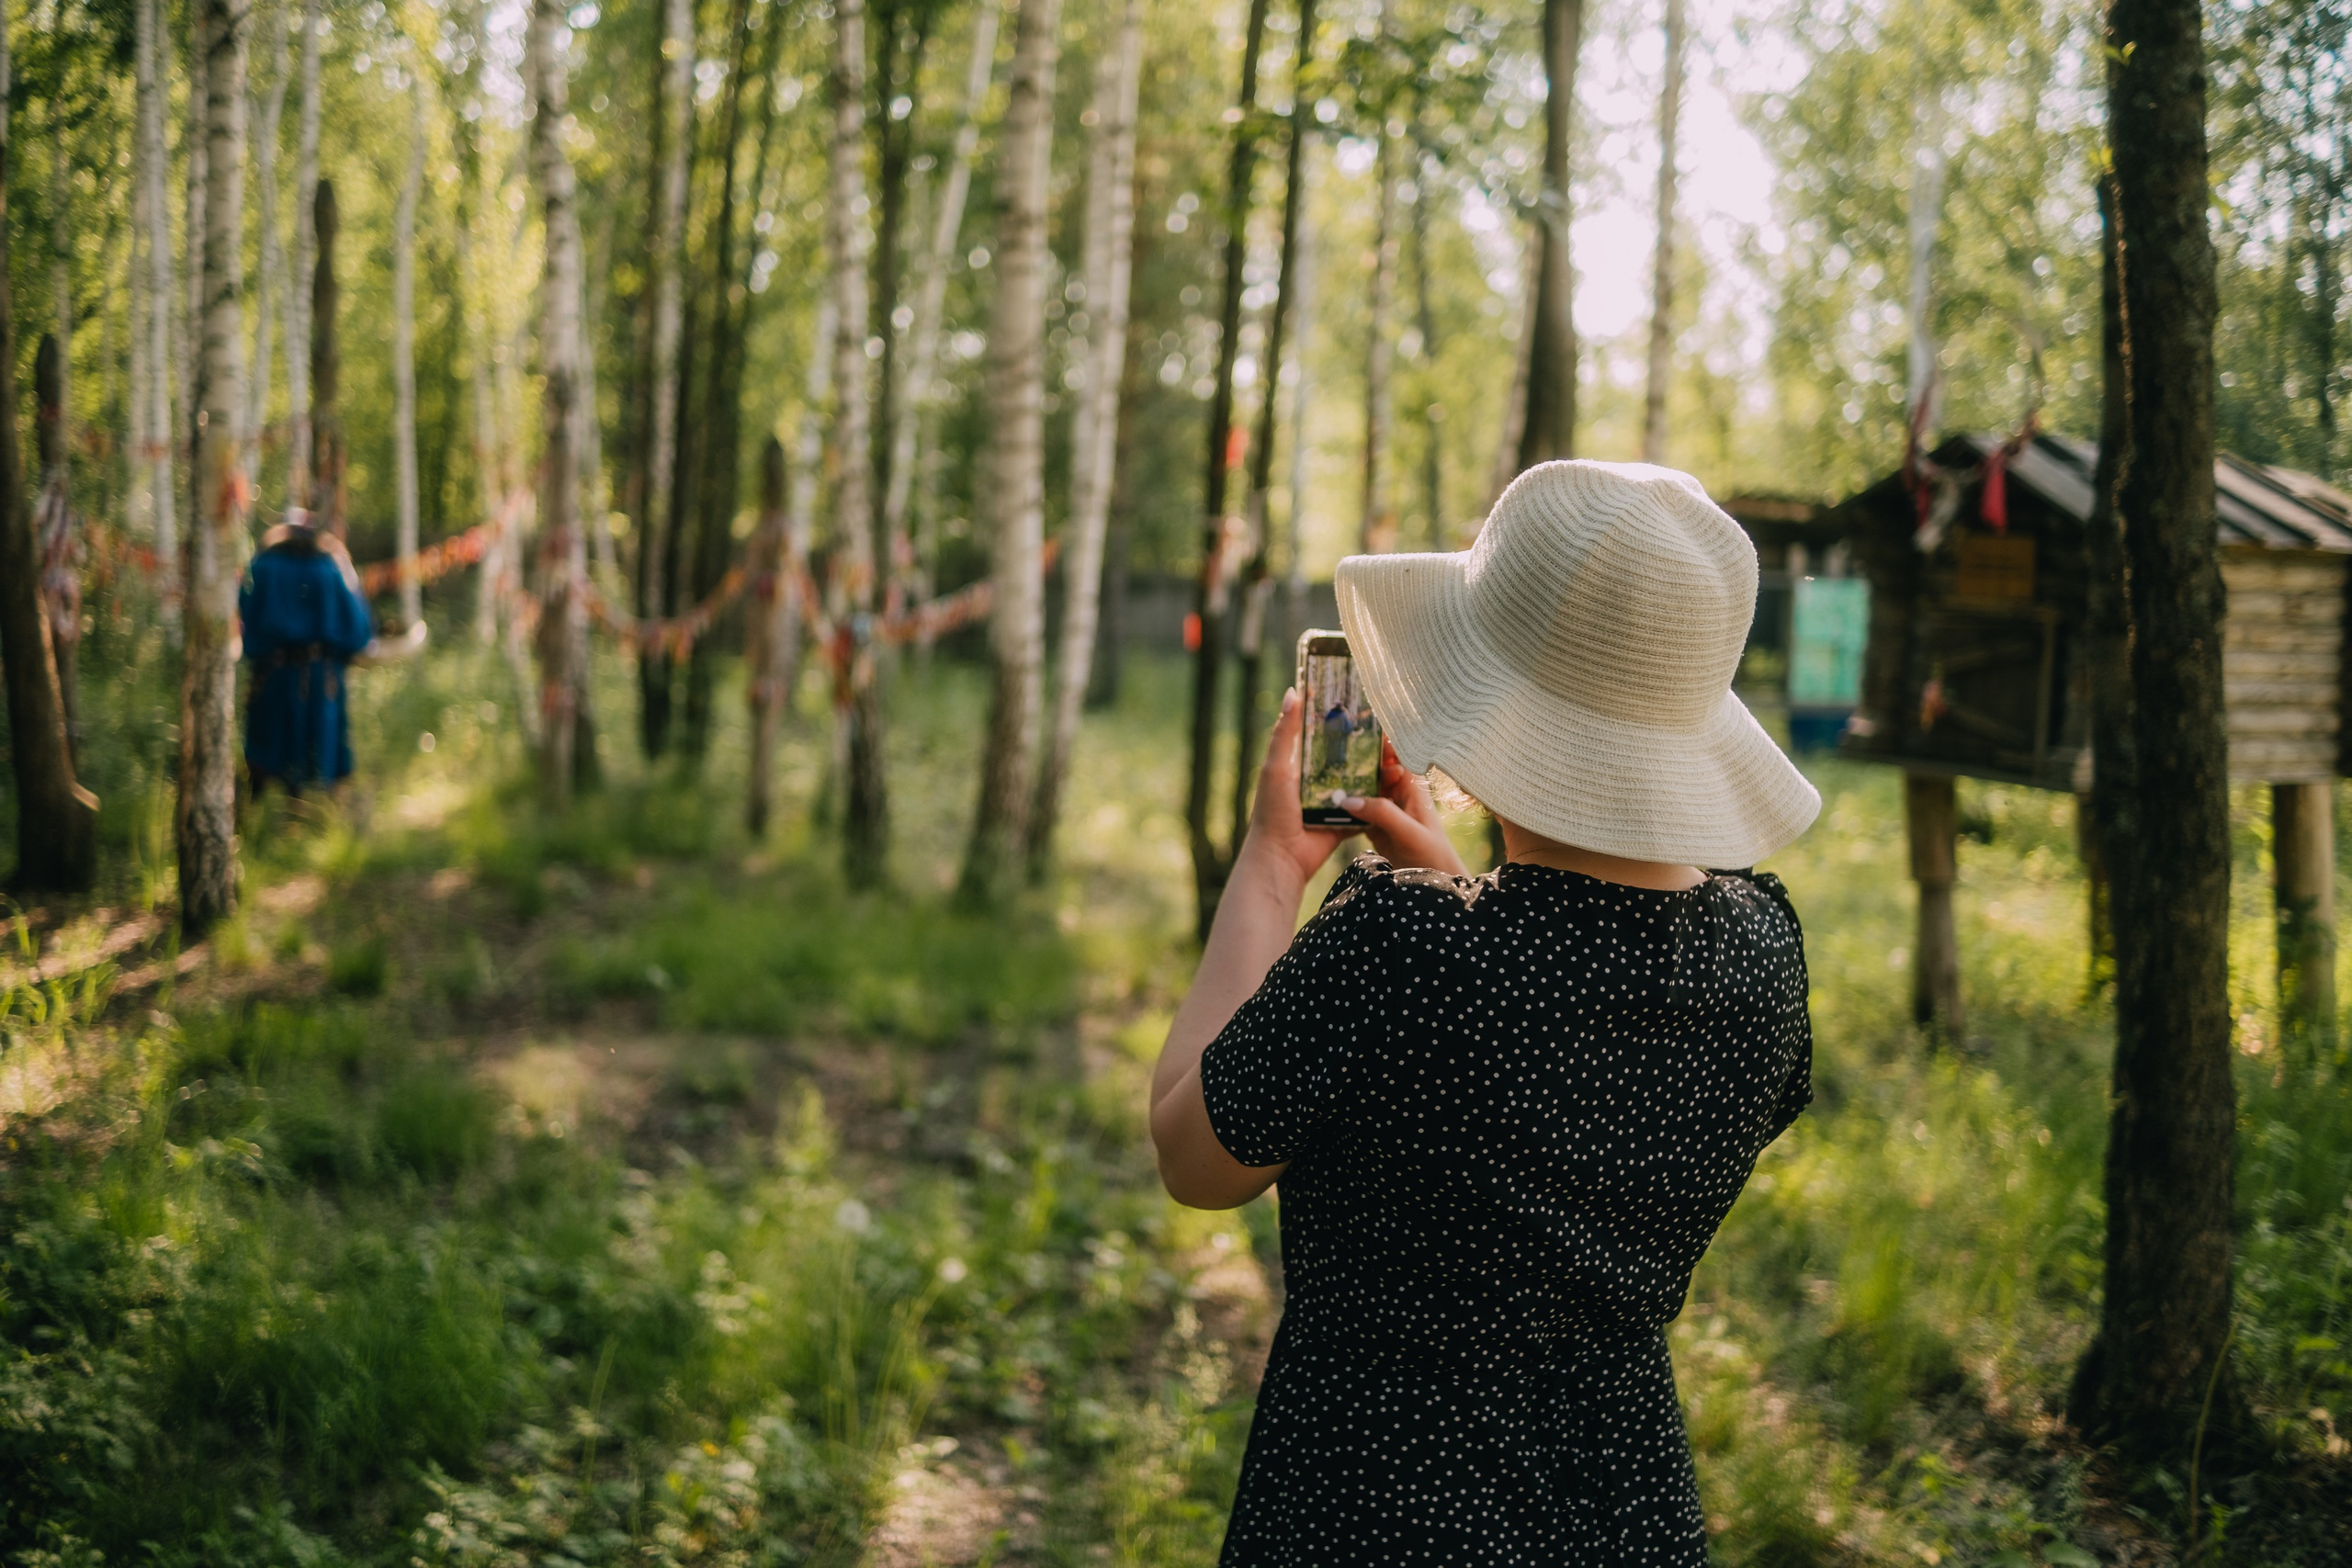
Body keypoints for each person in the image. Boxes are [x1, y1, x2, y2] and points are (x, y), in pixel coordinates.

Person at [1149, 460, 1822, 1565]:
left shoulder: (1397, 946)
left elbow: (1193, 1157)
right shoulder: (1764, 954)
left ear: (1490, 701)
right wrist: (1450, 886)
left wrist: (1275, 861)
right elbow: (1554, 1059)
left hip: (1367, 1510)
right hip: (1622, 1513)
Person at [240, 510, 376, 794]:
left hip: (273, 676)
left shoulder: (262, 566)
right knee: (317, 751)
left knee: (269, 750)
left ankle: (269, 819)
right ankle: (306, 816)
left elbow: (244, 622)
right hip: (319, 677)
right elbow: (357, 630)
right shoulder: (331, 567)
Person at [1319, 700, 1354, 775]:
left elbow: (1326, 727)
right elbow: (1348, 727)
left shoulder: (1330, 714)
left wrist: (1326, 735)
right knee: (1340, 755)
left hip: (1331, 738)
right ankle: (1340, 770)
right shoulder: (1343, 714)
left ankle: (1329, 769)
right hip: (1340, 739)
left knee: (1331, 754)